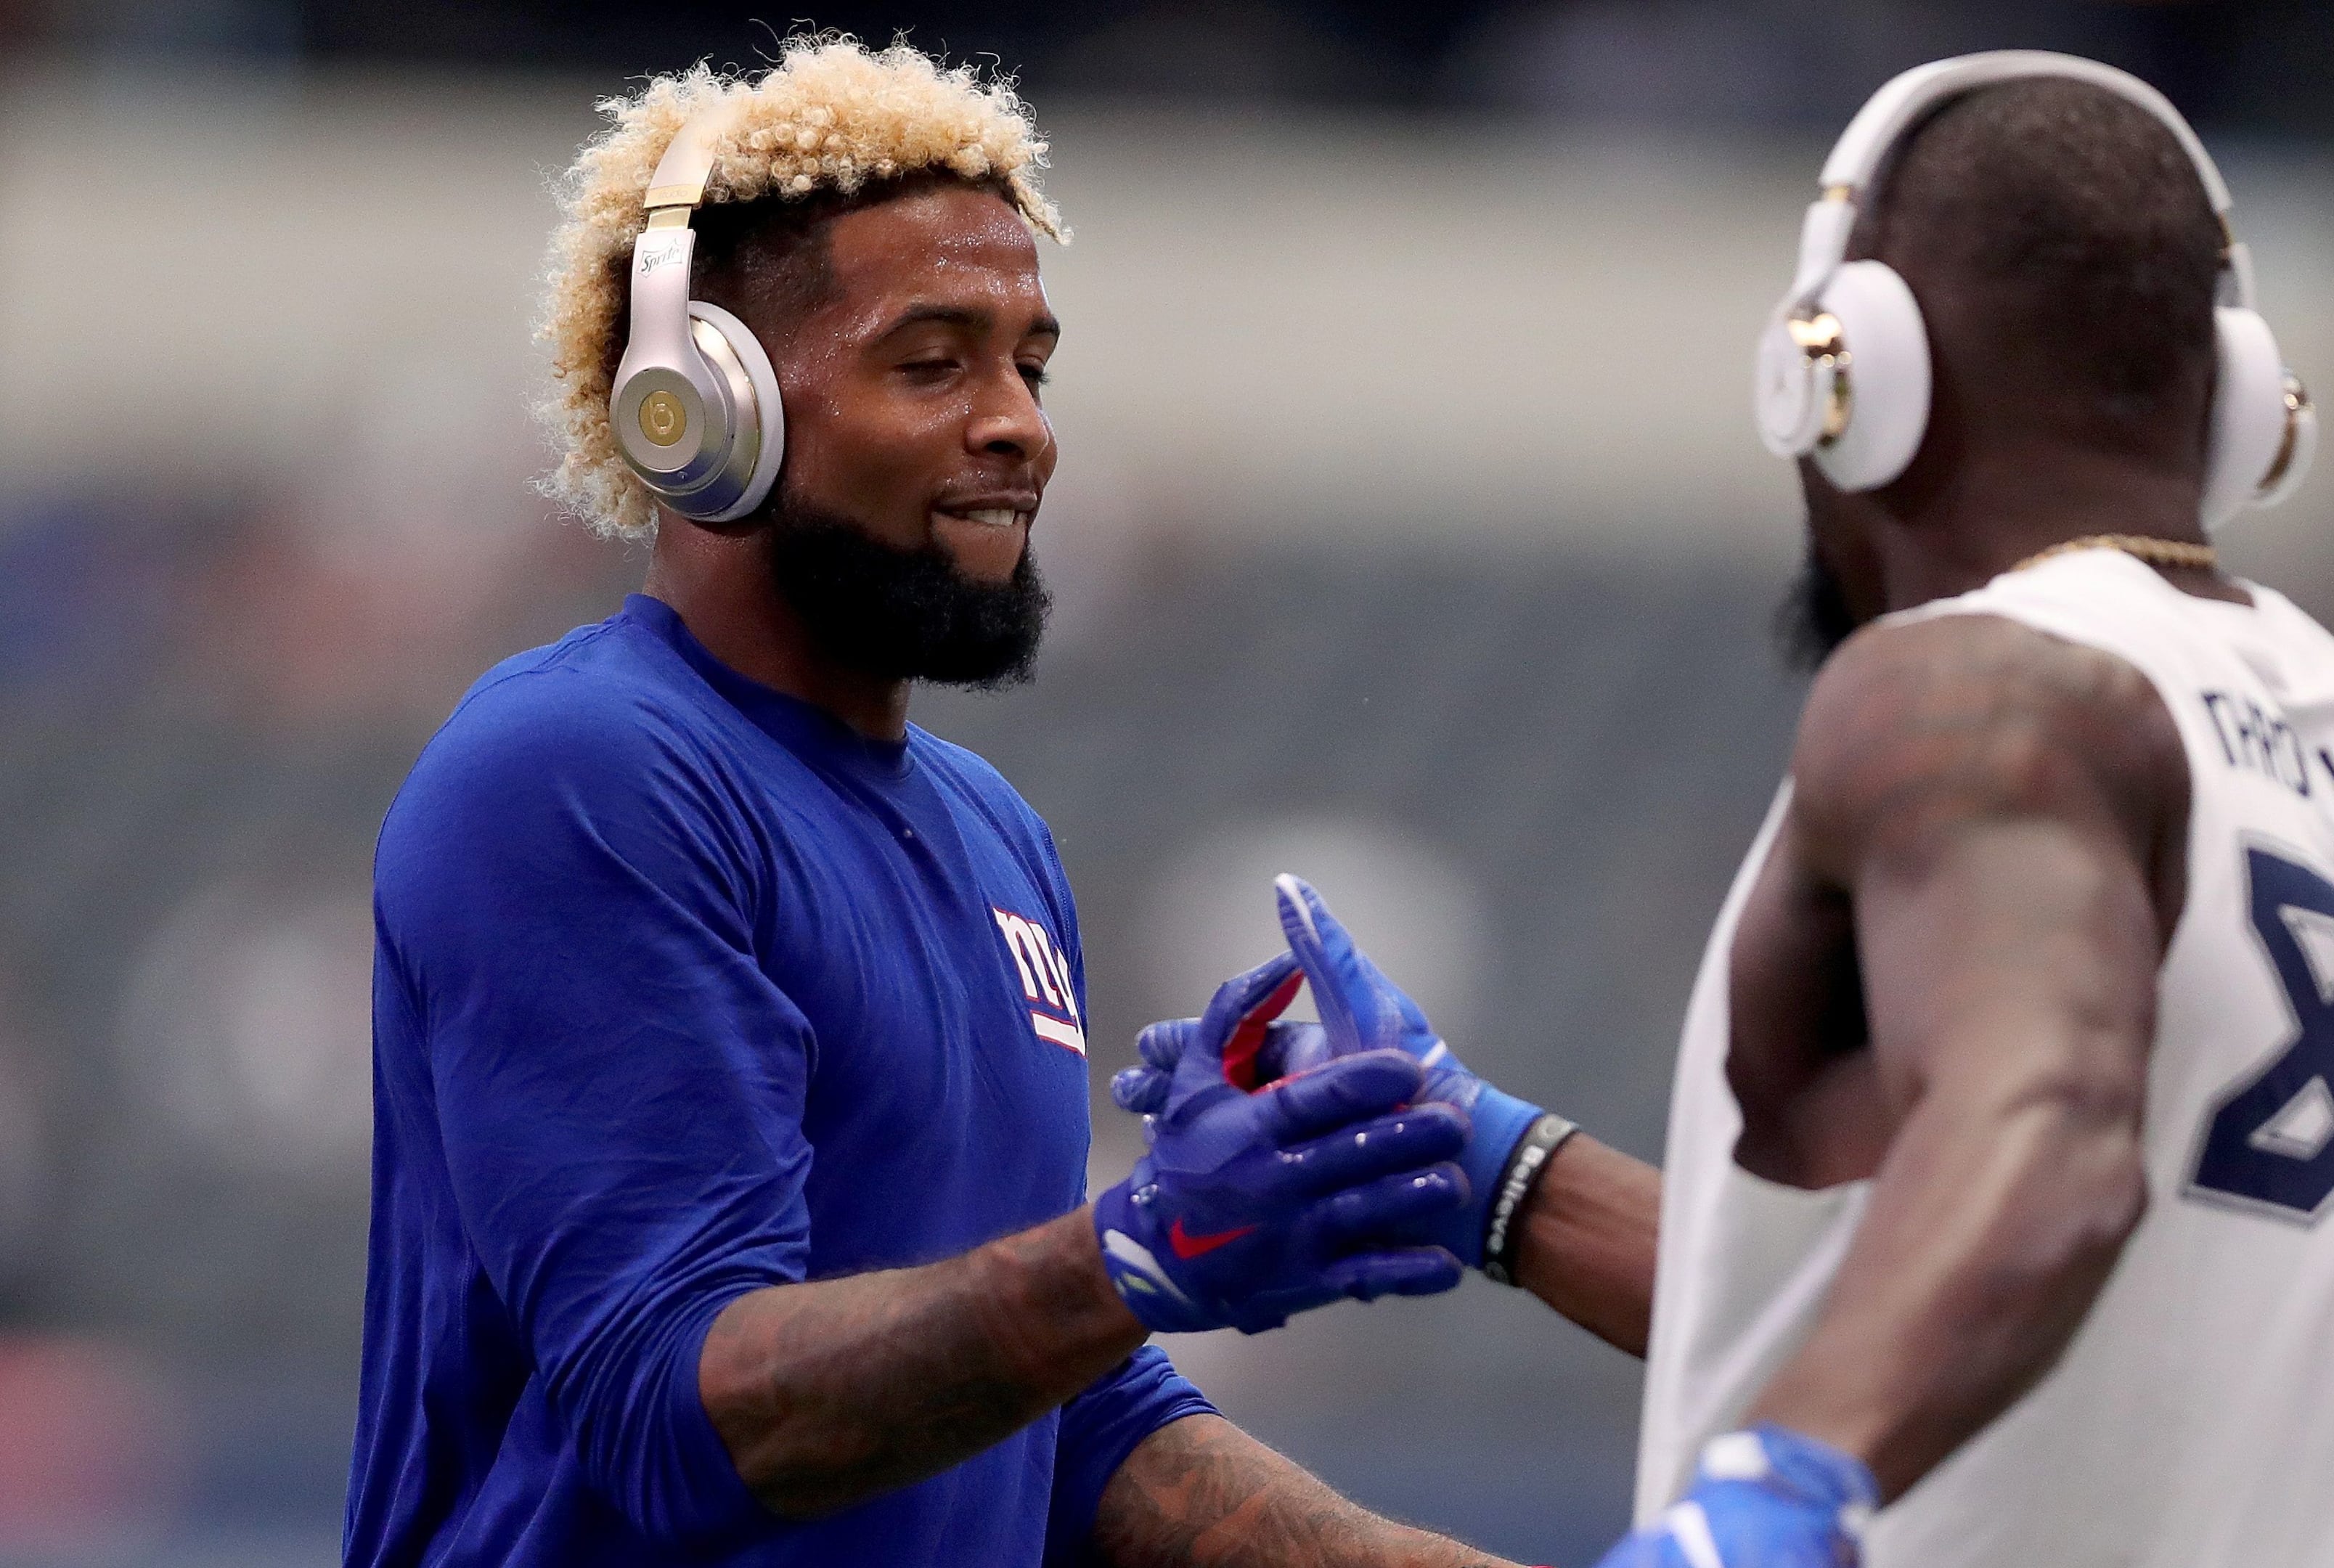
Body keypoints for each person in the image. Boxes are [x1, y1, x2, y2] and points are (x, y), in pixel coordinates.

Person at [1133, 52, 2334, 1568]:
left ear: (1847, 374)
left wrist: (1780, 1483)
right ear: (2235, 397)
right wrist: (1497, 1171)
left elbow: (2044, 1148)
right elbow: (1992, 1302)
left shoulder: (1970, 687)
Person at [345, 38, 1541, 1568]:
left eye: (1028, 364)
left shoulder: (995, 837)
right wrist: (1127, 1254)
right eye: (934, 360)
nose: (1021, 426)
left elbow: (1064, 1425)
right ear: (699, 404)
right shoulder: (582, 771)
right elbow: (682, 1417)